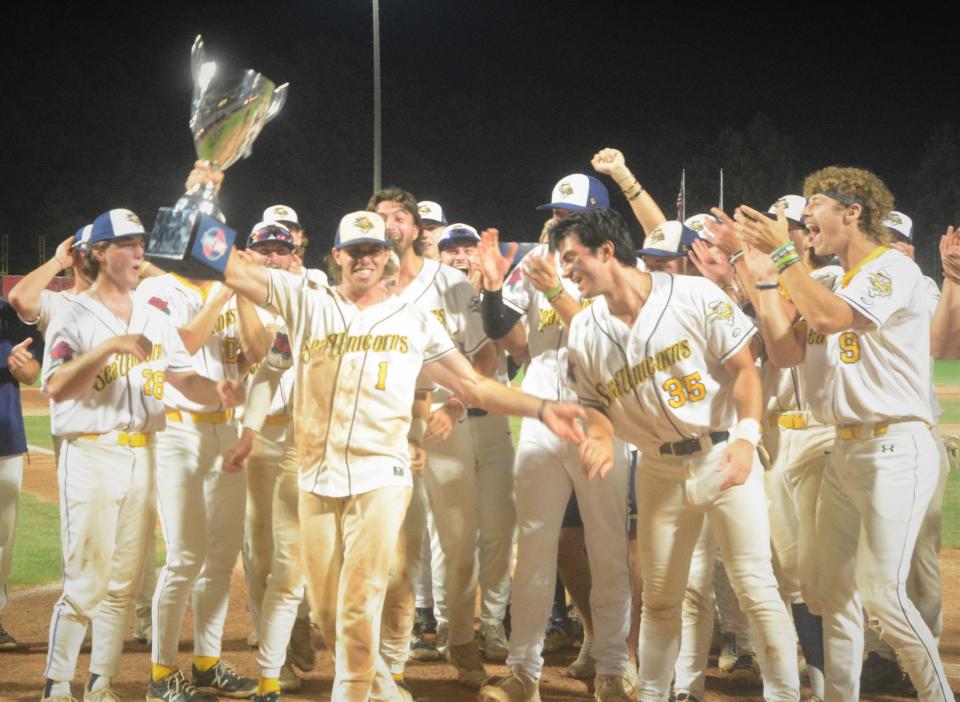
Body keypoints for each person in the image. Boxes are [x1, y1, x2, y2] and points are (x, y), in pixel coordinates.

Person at [221, 209, 586, 702]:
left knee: (358, 599)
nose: (365, 259)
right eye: (354, 250)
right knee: (329, 612)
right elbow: (224, 266)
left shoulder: (415, 321)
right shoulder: (307, 301)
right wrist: (205, 190)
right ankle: (375, 682)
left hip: (383, 473)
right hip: (315, 475)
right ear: (336, 257)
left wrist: (541, 407)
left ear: (388, 256)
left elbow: (474, 382)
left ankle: (356, 692)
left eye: (373, 249)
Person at [558, 207, 800, 702]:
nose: (566, 271)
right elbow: (592, 405)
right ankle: (652, 693)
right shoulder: (584, 329)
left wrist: (745, 439)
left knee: (755, 585)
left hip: (722, 451)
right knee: (663, 597)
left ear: (606, 252)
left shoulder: (693, 295)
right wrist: (601, 435)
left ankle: (785, 695)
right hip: (658, 467)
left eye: (572, 258)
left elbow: (746, 370)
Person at [736, 166, 952, 701]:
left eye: (815, 210)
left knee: (884, 596)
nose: (805, 220)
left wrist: (785, 259)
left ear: (852, 213)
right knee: (830, 594)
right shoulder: (830, 279)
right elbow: (785, 353)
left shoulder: (893, 272)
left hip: (895, 447)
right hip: (845, 452)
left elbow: (834, 319)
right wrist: (763, 273)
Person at [39, 208, 244, 702]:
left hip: (143, 454)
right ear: (99, 253)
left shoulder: (152, 316)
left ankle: (101, 684)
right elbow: (56, 386)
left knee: (123, 583)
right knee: (87, 580)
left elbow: (184, 378)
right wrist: (108, 347)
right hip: (92, 452)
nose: (137, 252)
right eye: (126, 244)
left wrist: (217, 389)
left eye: (140, 243)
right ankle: (57, 685)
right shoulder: (72, 312)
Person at [477, 177, 636, 702]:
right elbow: (513, 338)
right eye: (553, 210)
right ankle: (523, 670)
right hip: (547, 416)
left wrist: (550, 288)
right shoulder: (541, 263)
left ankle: (614, 667)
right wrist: (495, 289)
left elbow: (602, 333)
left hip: (601, 421)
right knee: (537, 546)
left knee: (608, 549)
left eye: (565, 212)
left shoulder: (616, 272)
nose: (554, 219)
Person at [370, 188, 501, 688]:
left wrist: (456, 402)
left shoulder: (449, 282)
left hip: (446, 423)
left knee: (458, 541)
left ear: (415, 227)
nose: (389, 224)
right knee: (396, 547)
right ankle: (392, 660)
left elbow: (485, 356)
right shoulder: (366, 284)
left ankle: (461, 637)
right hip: (386, 430)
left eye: (398, 216)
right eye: (379, 217)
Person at [141, 215, 272, 700]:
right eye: (216, 247)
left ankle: (207, 662)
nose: (223, 254)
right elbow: (182, 346)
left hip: (225, 432)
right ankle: (160, 674)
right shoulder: (157, 293)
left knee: (221, 558)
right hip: (180, 433)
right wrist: (223, 291)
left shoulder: (227, 293)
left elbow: (253, 355)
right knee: (184, 558)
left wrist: (238, 295)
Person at [0, 297, 43, 651]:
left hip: (5, 439)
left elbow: (31, 375)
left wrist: (19, 364)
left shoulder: (8, 313)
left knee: (2, 540)